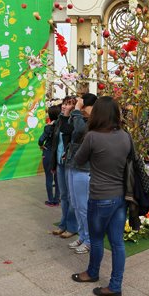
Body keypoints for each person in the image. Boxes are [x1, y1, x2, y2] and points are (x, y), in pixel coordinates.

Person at [70, 96, 131, 296]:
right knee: (117, 243)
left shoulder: (93, 137)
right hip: (121, 197)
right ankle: (115, 286)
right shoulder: (125, 136)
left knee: (96, 239)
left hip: (100, 196)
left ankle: (92, 273)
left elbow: (78, 160)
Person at [65, 93, 97, 254]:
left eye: (79, 102)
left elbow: (78, 131)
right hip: (72, 164)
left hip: (84, 168)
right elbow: (67, 129)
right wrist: (68, 112)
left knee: (83, 206)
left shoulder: (94, 121)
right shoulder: (80, 118)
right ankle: (82, 235)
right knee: (75, 204)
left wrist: (76, 110)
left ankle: (90, 240)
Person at [50, 97, 78, 239]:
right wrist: (53, 164)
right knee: (64, 196)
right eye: (64, 104)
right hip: (60, 163)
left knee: (72, 197)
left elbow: (69, 132)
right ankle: (63, 224)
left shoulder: (75, 121)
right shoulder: (60, 119)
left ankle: (72, 226)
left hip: (70, 163)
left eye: (68, 104)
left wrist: (67, 116)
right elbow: (55, 143)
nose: (64, 107)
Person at [38, 105, 61, 206]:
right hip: (58, 154)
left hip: (48, 153)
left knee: (48, 177)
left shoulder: (48, 128)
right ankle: (57, 198)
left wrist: (41, 146)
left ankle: (51, 200)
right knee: (57, 177)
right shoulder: (61, 127)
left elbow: (40, 140)